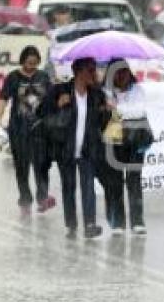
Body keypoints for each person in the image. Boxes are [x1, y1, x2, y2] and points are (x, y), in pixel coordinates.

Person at [41, 57, 111, 239]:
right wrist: (57, 104)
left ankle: (90, 224)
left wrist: (106, 111)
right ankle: (71, 225)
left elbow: (102, 124)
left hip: (88, 148)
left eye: (95, 69)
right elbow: (42, 113)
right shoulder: (60, 90)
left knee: (88, 187)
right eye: (90, 70)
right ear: (79, 71)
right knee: (69, 187)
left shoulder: (97, 94)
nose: (94, 73)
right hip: (66, 148)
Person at [0, 46, 55, 214]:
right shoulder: (13, 77)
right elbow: (2, 99)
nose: (31, 67)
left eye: (35, 64)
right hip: (18, 129)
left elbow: (52, 99)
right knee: (22, 167)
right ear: (22, 61)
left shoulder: (43, 77)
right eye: (29, 63)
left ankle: (42, 198)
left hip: (40, 129)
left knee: (41, 164)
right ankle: (25, 200)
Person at [100, 59, 149, 235]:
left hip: (136, 140)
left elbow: (140, 111)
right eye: (116, 72)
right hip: (113, 141)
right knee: (114, 181)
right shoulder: (103, 92)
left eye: (124, 71)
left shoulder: (138, 90)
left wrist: (117, 109)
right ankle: (118, 222)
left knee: (134, 180)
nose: (121, 76)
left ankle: (137, 221)